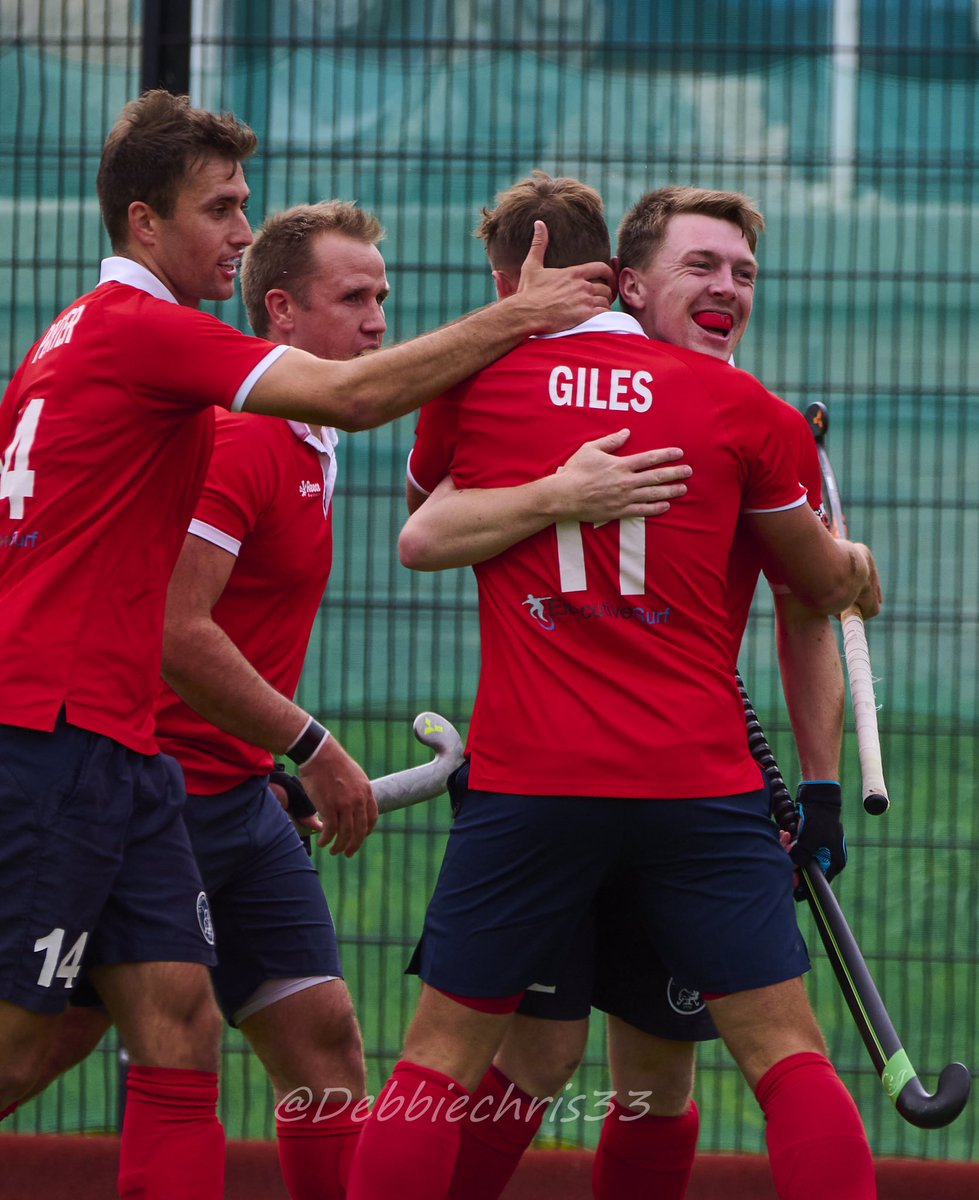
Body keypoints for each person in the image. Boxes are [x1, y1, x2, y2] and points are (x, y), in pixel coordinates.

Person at [0, 90, 612, 1200]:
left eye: (244, 205)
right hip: (63, 739)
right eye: (221, 207)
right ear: (146, 225)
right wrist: (518, 317)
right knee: (28, 1044)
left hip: (129, 755)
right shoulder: (160, 347)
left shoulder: (80, 343)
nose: (240, 230)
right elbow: (355, 394)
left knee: (196, 1028)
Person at [345, 174, 881, 1200]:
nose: (728, 286)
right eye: (704, 266)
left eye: (742, 272)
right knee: (785, 1058)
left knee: (436, 1066)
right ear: (623, 281)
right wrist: (853, 566)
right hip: (696, 788)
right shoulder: (744, 408)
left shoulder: (478, 387)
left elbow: (421, 526)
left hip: (530, 785)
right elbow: (820, 592)